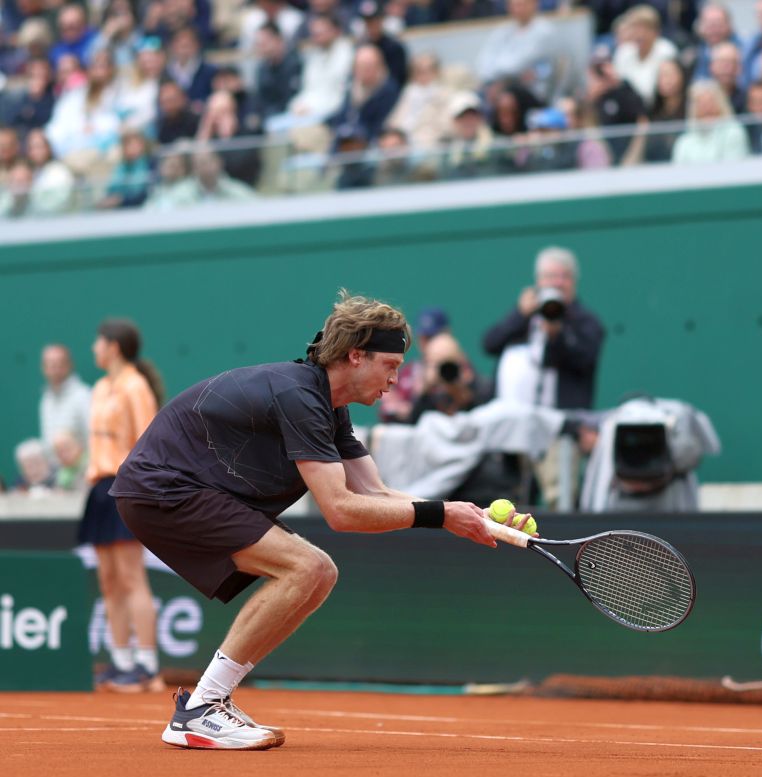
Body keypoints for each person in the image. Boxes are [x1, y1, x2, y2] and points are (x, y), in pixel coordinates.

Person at [111, 291, 527, 750]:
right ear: (355, 356)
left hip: (184, 489)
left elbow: (376, 493)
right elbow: (342, 510)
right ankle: (201, 707)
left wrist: (475, 516)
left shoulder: (329, 406)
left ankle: (207, 703)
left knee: (319, 571)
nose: (395, 379)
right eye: (389, 365)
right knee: (305, 566)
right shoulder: (300, 396)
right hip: (162, 489)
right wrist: (441, 516)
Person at [483, 246, 605, 506]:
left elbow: (583, 358)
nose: (556, 283)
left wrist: (556, 333)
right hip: (514, 426)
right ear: (538, 281)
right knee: (512, 497)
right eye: (550, 277)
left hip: (557, 428)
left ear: (573, 282)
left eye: (563, 276)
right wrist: (520, 314)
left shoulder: (585, 321)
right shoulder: (525, 318)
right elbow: (490, 343)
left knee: (558, 496)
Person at [82, 319, 165, 693]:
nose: (94, 349)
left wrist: (139, 490)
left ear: (113, 346)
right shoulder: (100, 387)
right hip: (99, 486)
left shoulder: (135, 386)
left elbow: (148, 443)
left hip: (126, 485)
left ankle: (146, 665)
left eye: (98, 342)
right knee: (109, 580)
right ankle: (121, 661)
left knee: (132, 577)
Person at [671, 79, 749, 164]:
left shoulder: (733, 131)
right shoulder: (684, 141)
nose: (706, 109)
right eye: (701, 104)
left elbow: (734, 167)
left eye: (710, 102)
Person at [39, 344, 92, 457]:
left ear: (69, 365)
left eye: (60, 363)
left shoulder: (83, 395)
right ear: (43, 367)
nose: (56, 368)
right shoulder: (46, 398)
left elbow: (92, 437)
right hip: (56, 472)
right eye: (51, 363)